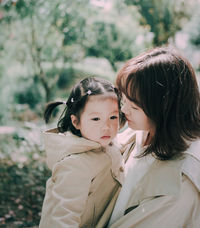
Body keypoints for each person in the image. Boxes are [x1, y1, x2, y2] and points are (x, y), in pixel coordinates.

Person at [97, 46, 200, 228]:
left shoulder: (182, 180)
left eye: (134, 107)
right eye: (123, 100)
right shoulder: (142, 131)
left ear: (164, 109)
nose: (123, 109)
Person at [39, 77, 125, 228]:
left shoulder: (107, 144)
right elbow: (62, 218)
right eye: (96, 119)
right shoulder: (74, 165)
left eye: (113, 117)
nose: (106, 126)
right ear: (75, 122)